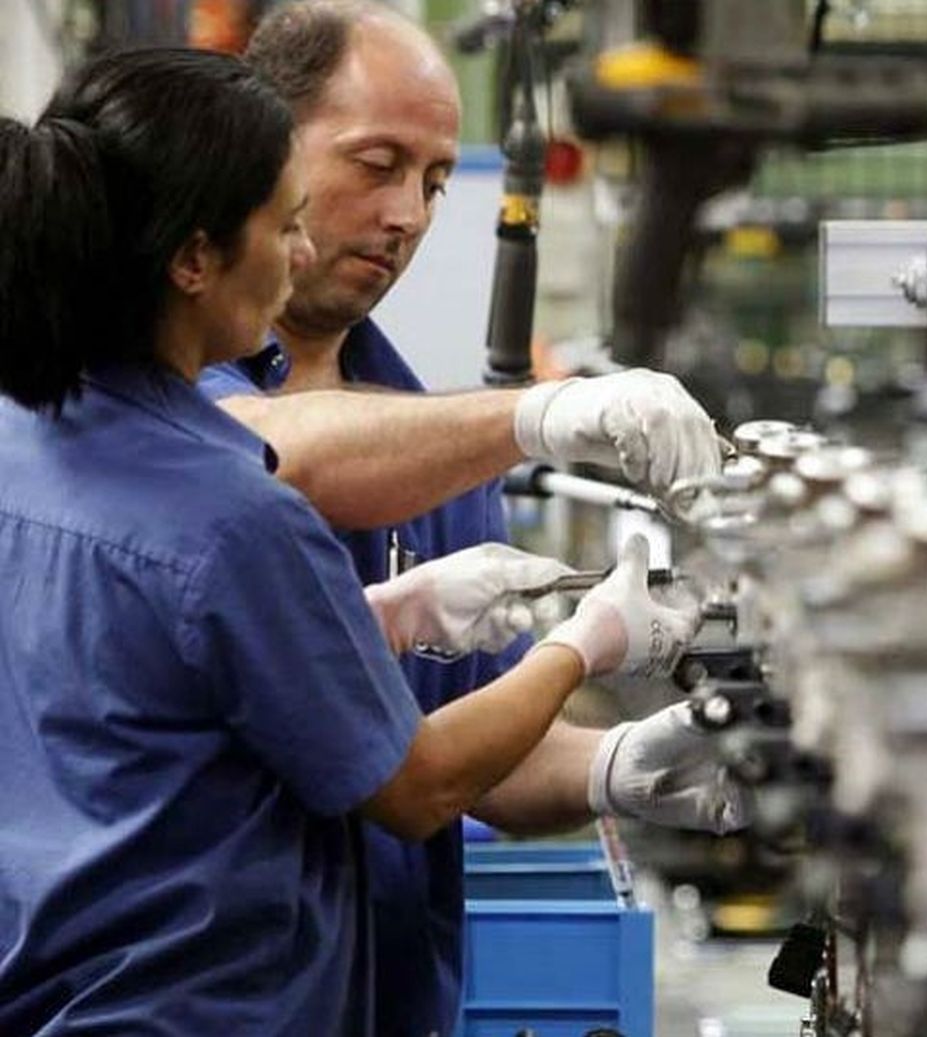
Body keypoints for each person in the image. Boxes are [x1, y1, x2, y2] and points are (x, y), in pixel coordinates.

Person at [0, 47, 688, 1035]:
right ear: (193, 260)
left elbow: (139, 692)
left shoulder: (24, 443)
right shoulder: (232, 512)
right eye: (285, 225)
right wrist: (589, 640)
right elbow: (417, 785)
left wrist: (381, 622)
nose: (299, 254)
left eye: (437, 182)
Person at [203, 4, 750, 1034]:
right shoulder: (159, 400)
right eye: (377, 164)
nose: (407, 213)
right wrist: (536, 414)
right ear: (262, 150)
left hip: (385, 1001)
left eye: (436, 181)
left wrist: (622, 763)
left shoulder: (445, 456)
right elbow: (271, 454)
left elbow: (474, 754)